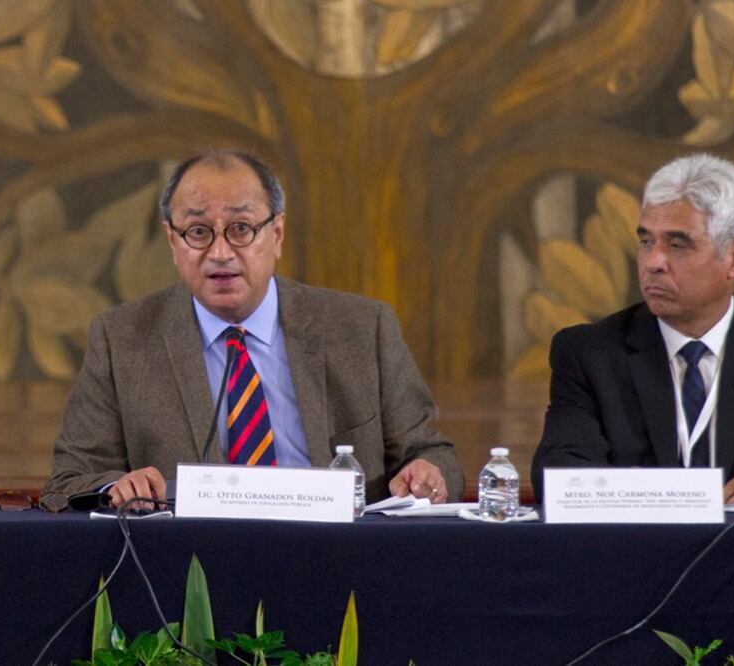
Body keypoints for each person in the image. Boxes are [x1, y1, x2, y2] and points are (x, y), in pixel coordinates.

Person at [41, 150, 463, 511]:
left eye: (241, 229)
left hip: (337, 559)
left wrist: (427, 474)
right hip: (188, 572)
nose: (221, 253)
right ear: (172, 242)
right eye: (198, 232)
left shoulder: (361, 329)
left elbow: (432, 453)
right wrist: (114, 487)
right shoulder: (122, 340)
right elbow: (69, 481)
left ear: (276, 234)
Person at [532, 153, 734, 510]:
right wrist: (670, 498)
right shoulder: (589, 354)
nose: (653, 263)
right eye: (647, 241)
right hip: (632, 559)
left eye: (678, 245)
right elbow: (559, 476)